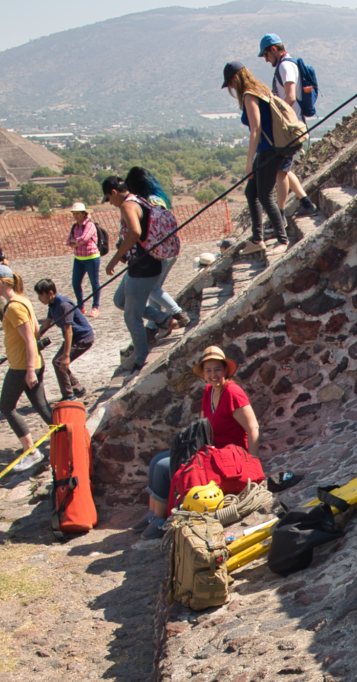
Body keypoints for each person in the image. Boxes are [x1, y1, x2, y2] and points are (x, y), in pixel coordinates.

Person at [137, 346, 260, 539]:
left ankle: (161, 520)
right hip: (211, 450)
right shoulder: (209, 391)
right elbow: (202, 427)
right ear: (204, 374)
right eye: (208, 370)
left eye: (217, 369)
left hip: (228, 456)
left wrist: (253, 463)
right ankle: (153, 514)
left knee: (163, 466)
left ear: (225, 370)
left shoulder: (233, 393)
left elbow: (253, 428)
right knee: (156, 461)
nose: (213, 375)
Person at [102, 175, 177, 373]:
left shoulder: (127, 205)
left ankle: (140, 361)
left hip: (143, 269)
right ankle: (164, 318)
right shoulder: (139, 200)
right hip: (141, 266)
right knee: (120, 301)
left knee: (131, 318)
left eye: (109, 199)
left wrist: (115, 258)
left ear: (114, 192)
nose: (111, 203)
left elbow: (134, 232)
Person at [0, 265, 51, 469]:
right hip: (31, 363)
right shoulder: (23, 301)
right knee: (43, 408)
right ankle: (66, 436)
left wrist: (29, 370)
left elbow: (30, 339)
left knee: (6, 406)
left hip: (22, 366)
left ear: (2, 282)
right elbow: (37, 331)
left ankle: (31, 451)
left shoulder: (13, 307)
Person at [222, 60, 289, 256]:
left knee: (265, 196)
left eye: (230, 84)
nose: (231, 88)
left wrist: (249, 162)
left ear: (236, 78)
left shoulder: (250, 94)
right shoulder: (261, 89)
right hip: (268, 149)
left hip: (268, 150)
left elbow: (256, 129)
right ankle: (257, 239)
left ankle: (282, 240)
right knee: (251, 192)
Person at [124, 167, 191, 342]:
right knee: (155, 287)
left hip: (158, 251)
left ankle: (177, 313)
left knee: (153, 288)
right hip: (168, 248)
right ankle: (154, 326)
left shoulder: (145, 202)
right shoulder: (159, 198)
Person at [259, 34, 318, 219]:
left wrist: (278, 118)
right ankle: (306, 203)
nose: (267, 60)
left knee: (281, 171)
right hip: (293, 124)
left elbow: (290, 96)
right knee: (284, 168)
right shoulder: (287, 65)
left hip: (290, 127)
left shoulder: (285, 66)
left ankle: (280, 216)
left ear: (274, 49)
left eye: (266, 55)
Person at [33, 278, 93, 401]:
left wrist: (66, 356)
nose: (39, 299)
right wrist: (35, 336)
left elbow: (68, 331)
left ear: (50, 293)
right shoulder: (52, 304)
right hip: (73, 338)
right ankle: (77, 388)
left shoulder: (63, 305)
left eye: (40, 295)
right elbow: (47, 323)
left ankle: (69, 395)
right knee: (60, 363)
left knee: (59, 362)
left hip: (82, 338)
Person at [67, 203, 101, 317]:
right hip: (78, 258)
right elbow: (68, 242)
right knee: (76, 283)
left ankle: (95, 307)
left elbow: (84, 238)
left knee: (94, 283)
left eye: (77, 213)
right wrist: (77, 241)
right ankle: (80, 307)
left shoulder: (89, 225)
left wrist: (75, 241)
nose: (75, 216)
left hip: (91, 258)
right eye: (74, 214)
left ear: (83, 213)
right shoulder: (74, 226)